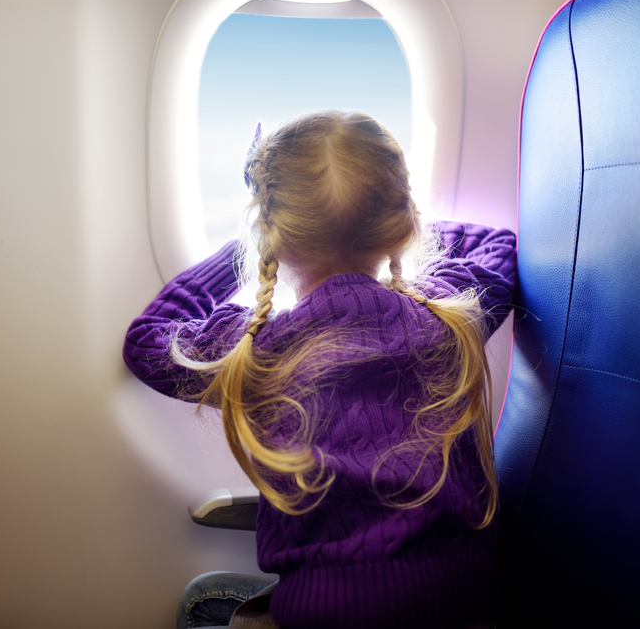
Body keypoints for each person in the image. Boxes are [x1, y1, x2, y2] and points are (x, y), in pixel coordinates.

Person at [124, 110, 517, 629]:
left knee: (205, 598)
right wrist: (393, 219)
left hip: (323, 612)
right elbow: (502, 247)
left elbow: (147, 339)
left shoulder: (257, 350)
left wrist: (247, 244)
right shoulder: (447, 318)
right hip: (467, 605)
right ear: (396, 223)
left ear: (275, 233)